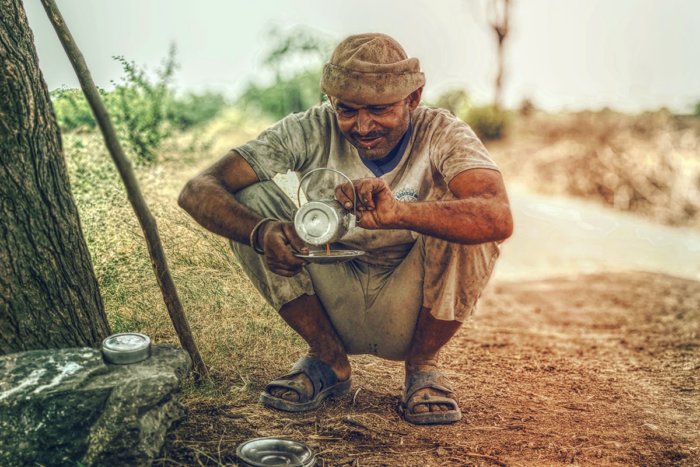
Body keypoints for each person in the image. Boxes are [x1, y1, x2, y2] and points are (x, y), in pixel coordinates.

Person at [178, 32, 513, 425]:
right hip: (331, 296)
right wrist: (262, 233)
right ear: (331, 103)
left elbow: (498, 216)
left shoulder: (441, 131)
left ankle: (423, 367)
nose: (363, 125)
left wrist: (402, 213)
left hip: (411, 307)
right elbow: (196, 190)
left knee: (467, 221)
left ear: (414, 99)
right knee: (250, 200)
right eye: (347, 110)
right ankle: (328, 360)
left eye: (379, 109)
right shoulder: (309, 128)